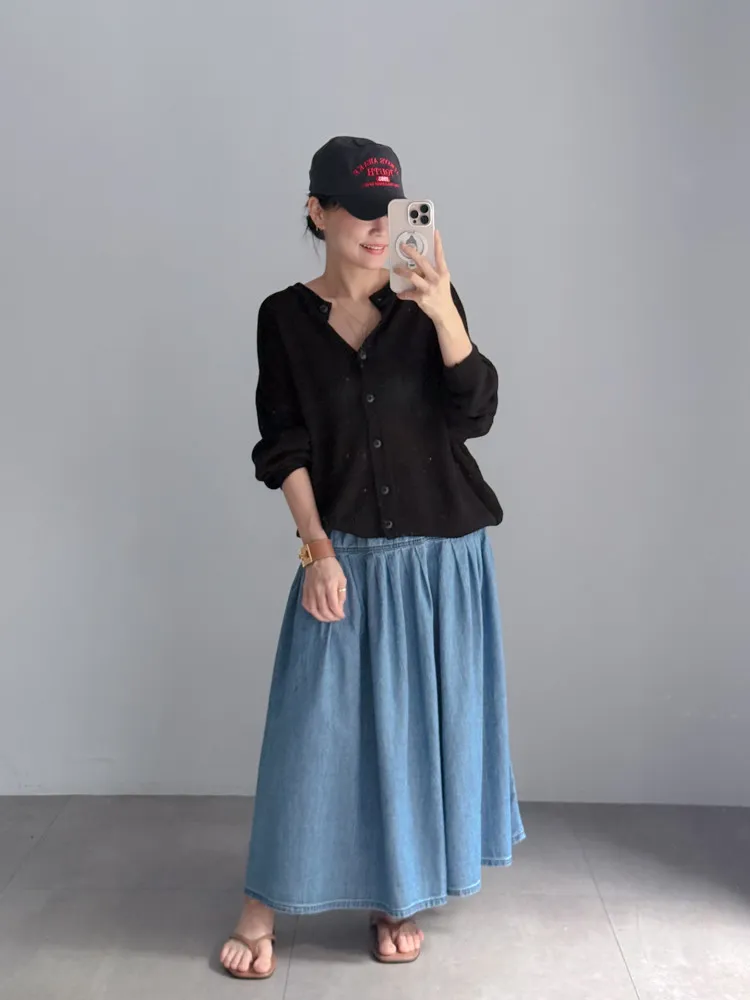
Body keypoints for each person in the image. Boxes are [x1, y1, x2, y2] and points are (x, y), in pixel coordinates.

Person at [220, 136, 525, 980]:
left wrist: (443, 313)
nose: (376, 227)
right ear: (316, 211)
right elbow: (283, 444)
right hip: (347, 552)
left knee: (417, 737)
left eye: (387, 209)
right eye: (358, 210)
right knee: (310, 734)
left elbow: (476, 413)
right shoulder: (283, 318)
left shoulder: (427, 302)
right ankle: (261, 904)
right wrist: (316, 549)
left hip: (443, 558)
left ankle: (398, 895)